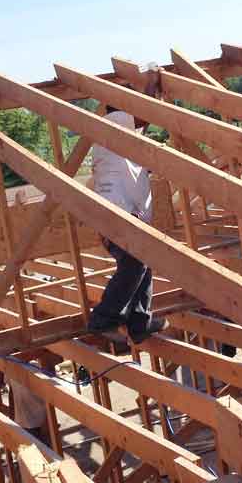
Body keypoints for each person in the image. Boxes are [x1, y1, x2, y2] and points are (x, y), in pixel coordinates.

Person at [87, 105, 166, 345]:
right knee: (135, 262)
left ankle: (139, 324)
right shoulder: (114, 121)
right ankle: (103, 319)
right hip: (118, 214)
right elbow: (146, 113)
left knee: (142, 262)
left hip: (122, 214)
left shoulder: (124, 142)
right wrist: (154, 92)